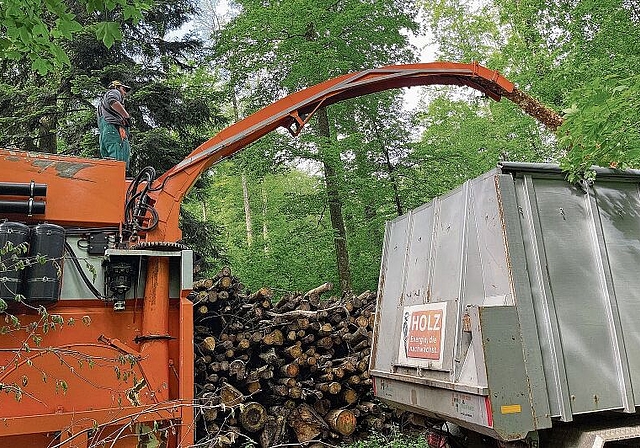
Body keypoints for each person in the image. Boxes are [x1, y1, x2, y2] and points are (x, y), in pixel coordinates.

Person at [97, 80, 132, 169]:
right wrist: (126, 116)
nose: (125, 93)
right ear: (116, 87)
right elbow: (112, 101)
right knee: (118, 160)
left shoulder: (101, 104)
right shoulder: (114, 92)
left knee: (109, 163)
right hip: (114, 130)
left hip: (105, 133)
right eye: (123, 89)